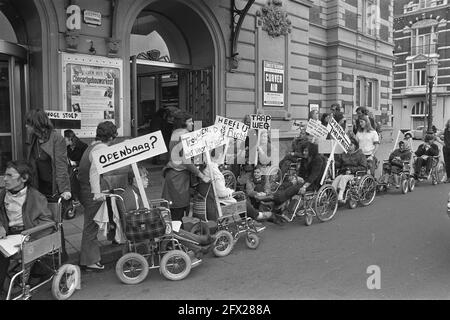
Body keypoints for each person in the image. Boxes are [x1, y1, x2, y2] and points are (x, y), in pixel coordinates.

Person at [0, 161, 54, 298]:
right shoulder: (2, 195)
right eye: (5, 175)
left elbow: (47, 223)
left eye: (9, 175)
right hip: (7, 234)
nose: (4, 179)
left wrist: (30, 238)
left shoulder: (36, 197)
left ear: (24, 178)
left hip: (27, 235)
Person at [78, 121, 121, 271]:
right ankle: (90, 260)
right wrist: (97, 193)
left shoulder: (93, 145)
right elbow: (94, 172)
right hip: (91, 192)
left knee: (93, 223)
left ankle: (90, 256)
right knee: (91, 226)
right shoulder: (102, 148)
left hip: (84, 190)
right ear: (111, 137)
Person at [162, 112, 210, 223]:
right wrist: (201, 175)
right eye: (189, 121)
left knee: (174, 212)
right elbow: (186, 160)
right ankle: (177, 237)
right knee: (178, 213)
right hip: (178, 178)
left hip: (173, 175)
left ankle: (176, 235)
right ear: (183, 122)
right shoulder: (184, 135)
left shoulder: (175, 133)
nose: (192, 123)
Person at [25, 109, 71, 202]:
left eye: (29, 124)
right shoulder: (32, 138)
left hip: (52, 186)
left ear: (37, 124)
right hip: (37, 184)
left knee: (52, 214)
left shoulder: (56, 138)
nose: (26, 126)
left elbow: (61, 166)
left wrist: (64, 189)